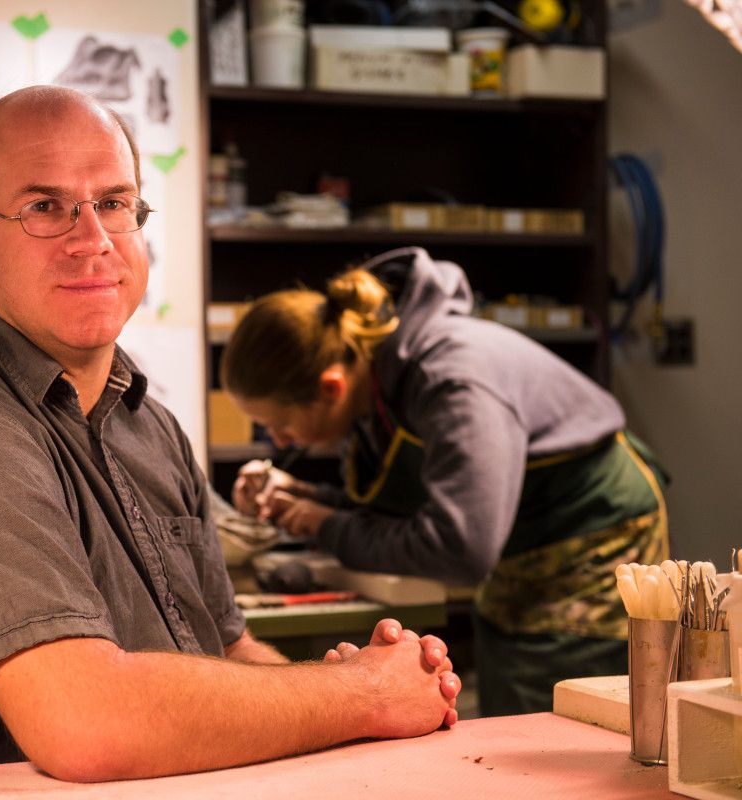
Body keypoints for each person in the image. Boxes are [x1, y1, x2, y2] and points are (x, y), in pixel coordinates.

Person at [0, 87, 460, 783]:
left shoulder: (147, 423)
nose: (92, 240)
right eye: (45, 208)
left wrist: (363, 688)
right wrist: (362, 697)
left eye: (114, 203)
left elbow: (227, 649)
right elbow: (84, 724)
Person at [223, 247, 669, 717]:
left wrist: (327, 526)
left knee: (554, 711)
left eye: (279, 424)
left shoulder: (452, 381)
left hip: (592, 542)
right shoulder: (378, 373)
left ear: (332, 386)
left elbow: (459, 548)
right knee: (509, 698)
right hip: (521, 546)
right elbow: (426, 496)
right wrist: (311, 497)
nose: (277, 440)